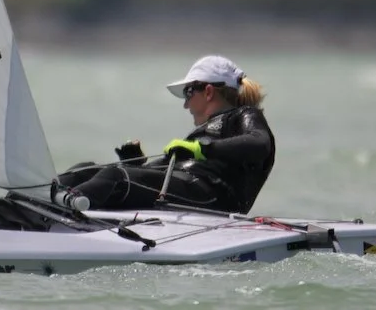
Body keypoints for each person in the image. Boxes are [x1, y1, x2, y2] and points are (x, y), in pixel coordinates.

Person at [56, 55, 275, 213]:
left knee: (114, 178)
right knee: (85, 170)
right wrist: (135, 164)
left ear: (208, 92)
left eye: (188, 93)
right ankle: (37, 197)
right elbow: (166, 174)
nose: (186, 104)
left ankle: (57, 210)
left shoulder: (244, 115)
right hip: (187, 190)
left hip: (213, 198)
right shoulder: (202, 134)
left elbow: (260, 143)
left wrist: (203, 149)